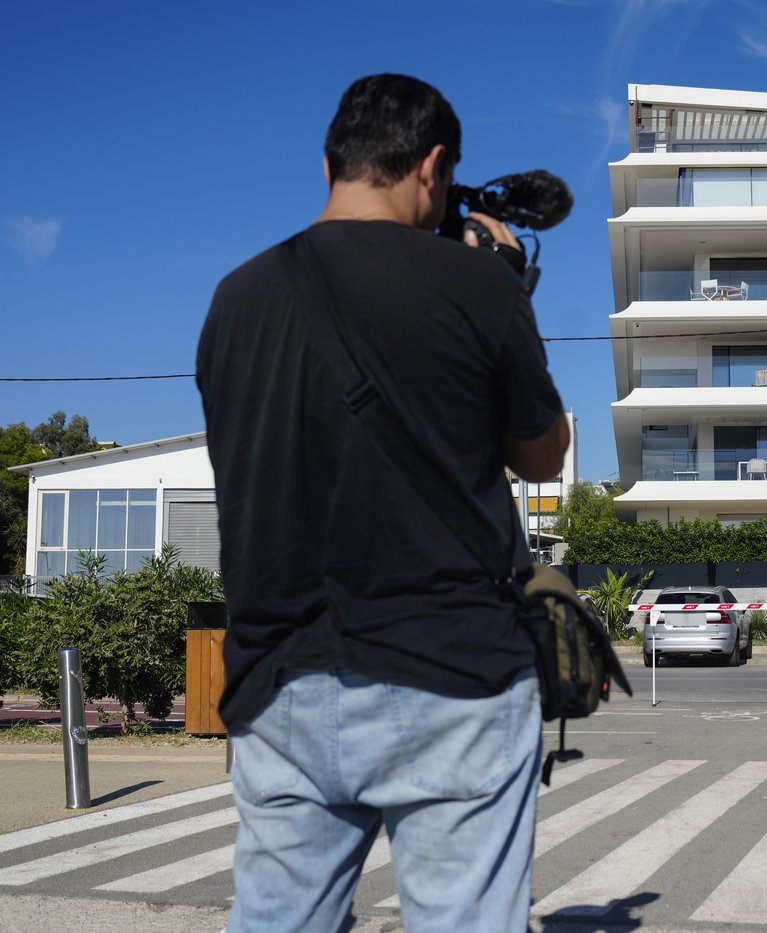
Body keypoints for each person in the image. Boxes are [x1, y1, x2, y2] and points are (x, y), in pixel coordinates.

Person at [196, 74, 570, 932]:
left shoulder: (234, 300)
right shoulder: (477, 286)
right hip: (452, 673)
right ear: (433, 166)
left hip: (279, 675)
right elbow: (541, 454)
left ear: (330, 161)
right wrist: (510, 291)